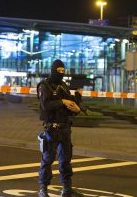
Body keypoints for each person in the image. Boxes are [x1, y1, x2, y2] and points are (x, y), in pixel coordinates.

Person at [37, 59, 84, 197]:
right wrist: (62, 101)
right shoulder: (44, 86)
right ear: (53, 70)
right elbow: (46, 105)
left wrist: (77, 103)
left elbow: (69, 105)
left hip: (65, 128)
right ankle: (43, 190)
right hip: (52, 128)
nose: (61, 74)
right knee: (47, 159)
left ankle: (67, 188)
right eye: (59, 71)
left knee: (65, 160)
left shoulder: (63, 85)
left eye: (63, 71)